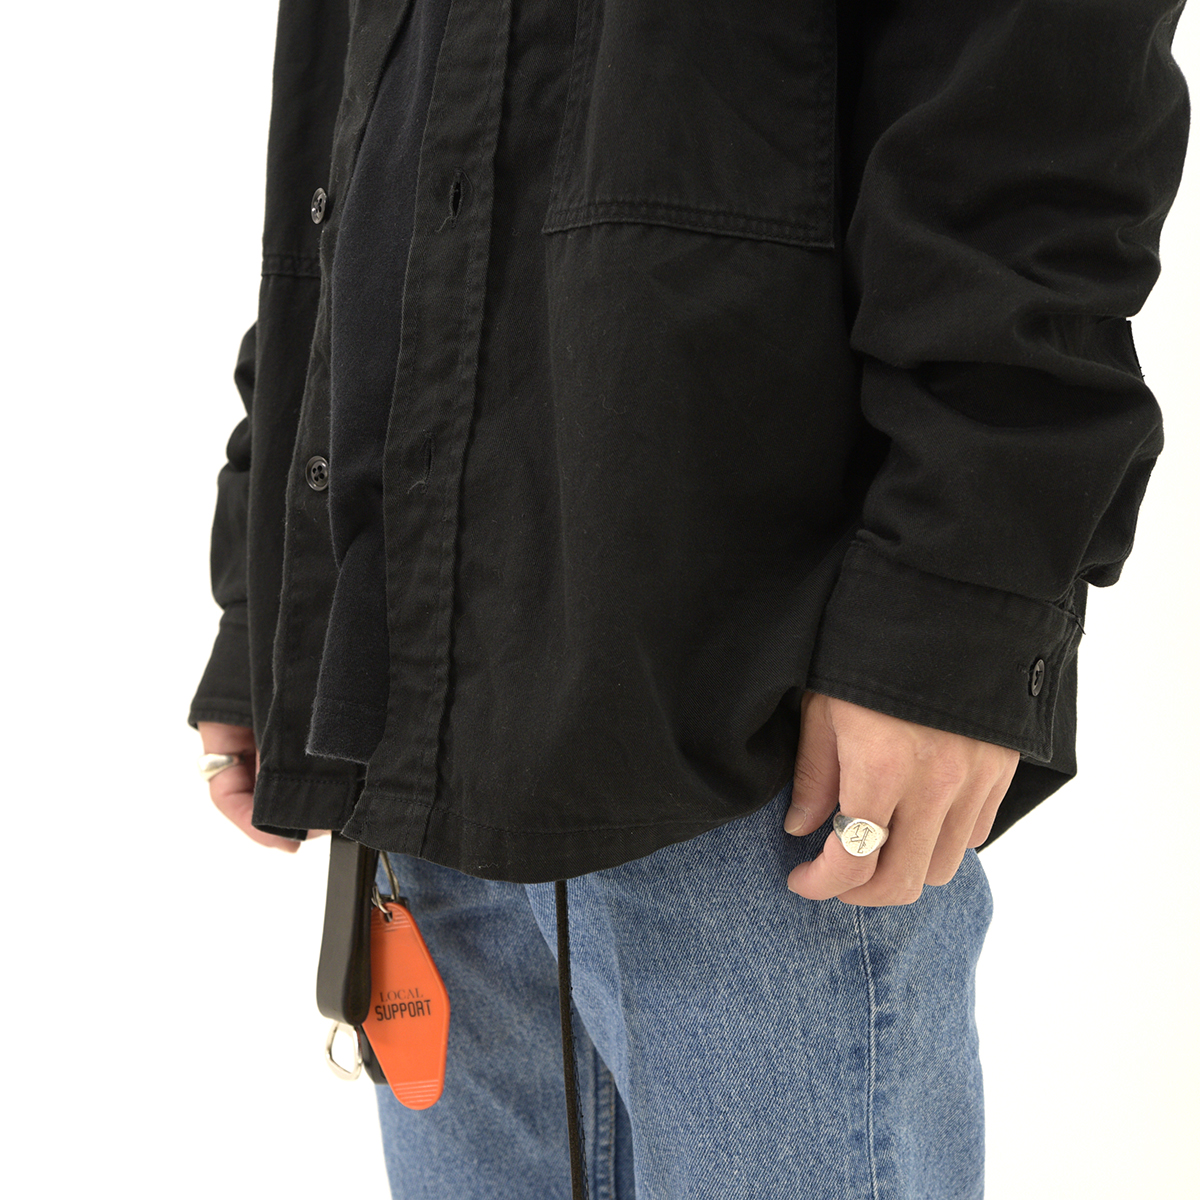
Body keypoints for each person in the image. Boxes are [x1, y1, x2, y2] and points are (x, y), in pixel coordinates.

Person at [191, 0, 1191, 1195]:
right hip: (409, 713)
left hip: (756, 724)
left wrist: (955, 600)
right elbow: (350, 124)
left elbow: (1034, 92)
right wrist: (273, 577)